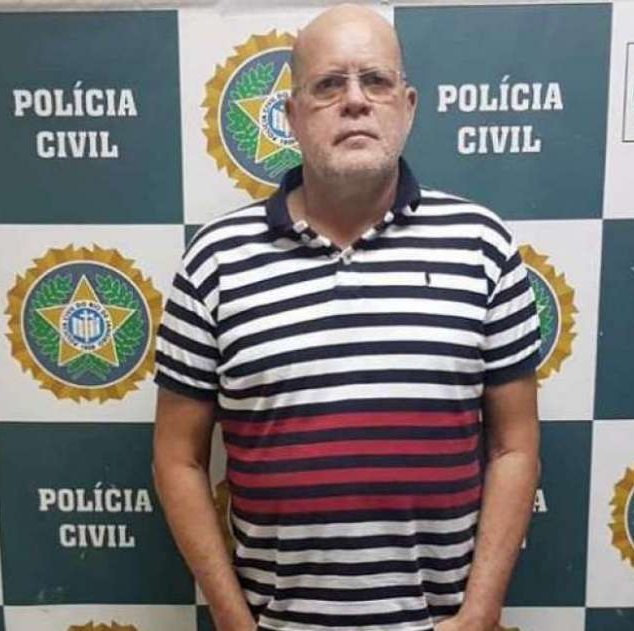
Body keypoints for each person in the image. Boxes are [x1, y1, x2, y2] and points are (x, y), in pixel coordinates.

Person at [152, 5, 541, 630]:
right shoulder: (216, 260)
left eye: (376, 81)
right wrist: (231, 619)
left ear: (408, 107)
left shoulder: (481, 246)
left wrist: (479, 614)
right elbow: (178, 458)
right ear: (292, 116)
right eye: (329, 84)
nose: (355, 101)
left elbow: (514, 446)